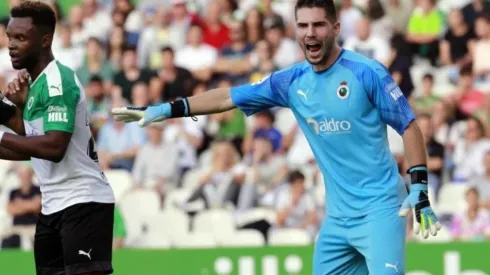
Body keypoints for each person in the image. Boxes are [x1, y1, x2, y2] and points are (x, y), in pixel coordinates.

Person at [113, 0, 441, 274]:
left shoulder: (366, 72)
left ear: (336, 28)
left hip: (380, 211)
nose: (310, 33)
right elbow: (228, 96)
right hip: (337, 220)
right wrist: (166, 110)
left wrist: (421, 188)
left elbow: (409, 126)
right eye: (303, 26)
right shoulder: (292, 81)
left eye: (319, 25)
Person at [1, 1, 115, 274]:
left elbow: (54, 147)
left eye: (20, 38)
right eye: (9, 37)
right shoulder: (35, 84)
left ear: (45, 40)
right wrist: (13, 113)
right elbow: (31, 144)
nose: (12, 45)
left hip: (83, 202)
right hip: (52, 205)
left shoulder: (58, 81)